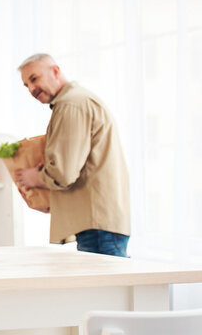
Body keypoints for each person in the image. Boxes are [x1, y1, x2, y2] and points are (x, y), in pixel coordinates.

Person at [13, 53, 131, 257]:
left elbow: (64, 173)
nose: (32, 89)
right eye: (26, 86)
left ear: (55, 71)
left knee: (100, 288)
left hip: (97, 227)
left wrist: (35, 178)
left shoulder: (70, 105)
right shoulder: (77, 100)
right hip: (100, 224)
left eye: (34, 79)